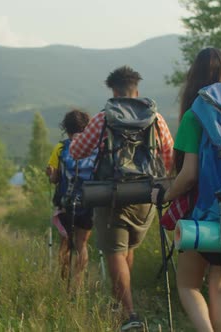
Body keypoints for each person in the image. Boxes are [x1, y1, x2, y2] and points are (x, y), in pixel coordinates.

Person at [70, 66, 174, 330]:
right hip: (145, 196)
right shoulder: (156, 119)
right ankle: (120, 305)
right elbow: (169, 157)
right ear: (136, 91)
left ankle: (129, 315)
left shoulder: (103, 118)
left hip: (111, 194)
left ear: (114, 92)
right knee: (127, 250)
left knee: (114, 252)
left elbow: (79, 151)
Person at [157, 48, 221, 332]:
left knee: (188, 286)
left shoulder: (195, 115)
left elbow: (188, 176)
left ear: (194, 78)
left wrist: (166, 195)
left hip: (204, 212)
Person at [46, 109, 97, 286]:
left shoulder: (61, 148)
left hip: (65, 203)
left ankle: (64, 282)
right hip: (89, 202)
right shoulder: (96, 147)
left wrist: (51, 174)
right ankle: (78, 282)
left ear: (66, 128)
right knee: (81, 243)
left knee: (65, 242)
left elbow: (54, 179)